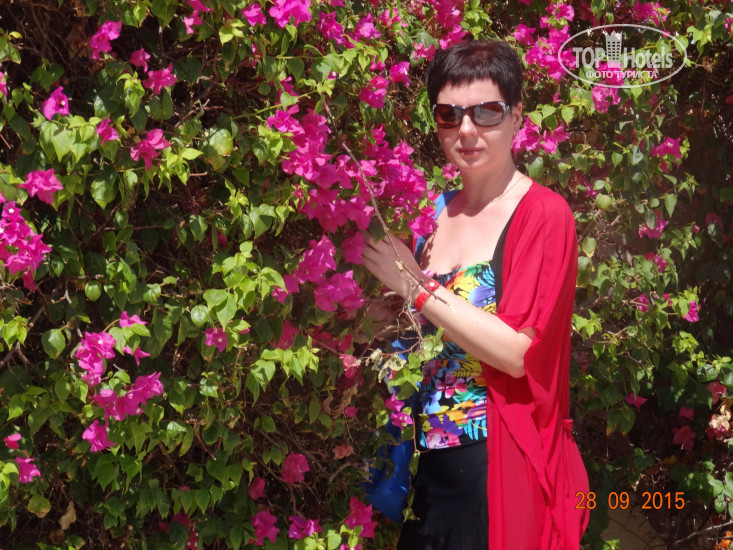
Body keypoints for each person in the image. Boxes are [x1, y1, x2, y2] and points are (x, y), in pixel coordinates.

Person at [361, 40, 590, 550]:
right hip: (427, 472)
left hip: (499, 467)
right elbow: (410, 330)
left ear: (516, 117)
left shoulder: (543, 215)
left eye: (486, 112)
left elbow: (518, 352)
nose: (466, 130)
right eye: (450, 114)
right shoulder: (431, 213)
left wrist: (417, 287)